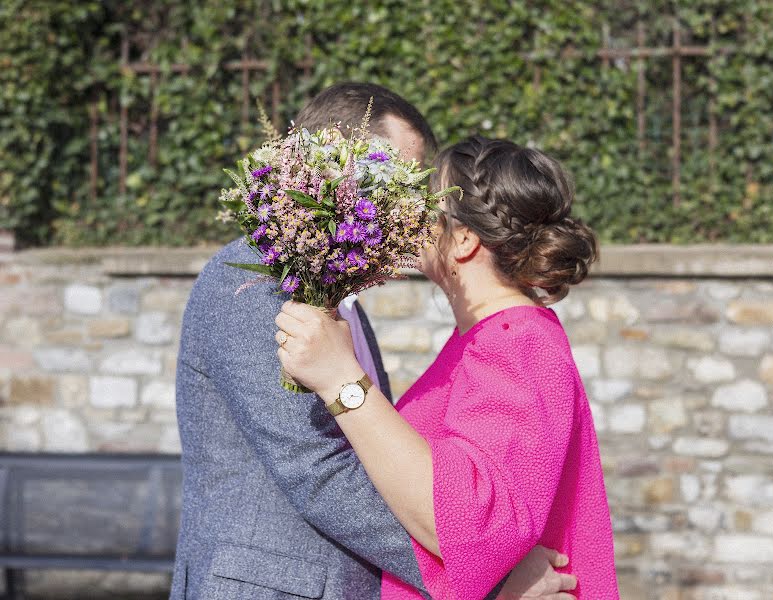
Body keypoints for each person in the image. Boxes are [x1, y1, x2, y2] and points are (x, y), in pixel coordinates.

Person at [171, 84, 577, 600]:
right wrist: (487, 580)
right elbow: (319, 468)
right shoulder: (251, 281)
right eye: (397, 181)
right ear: (332, 166)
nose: (412, 207)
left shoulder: (343, 300)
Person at [276, 136, 620, 599]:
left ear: (462, 240)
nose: (411, 215)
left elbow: (465, 522)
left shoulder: (517, 343)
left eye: (427, 203)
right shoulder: (483, 338)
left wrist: (340, 379)